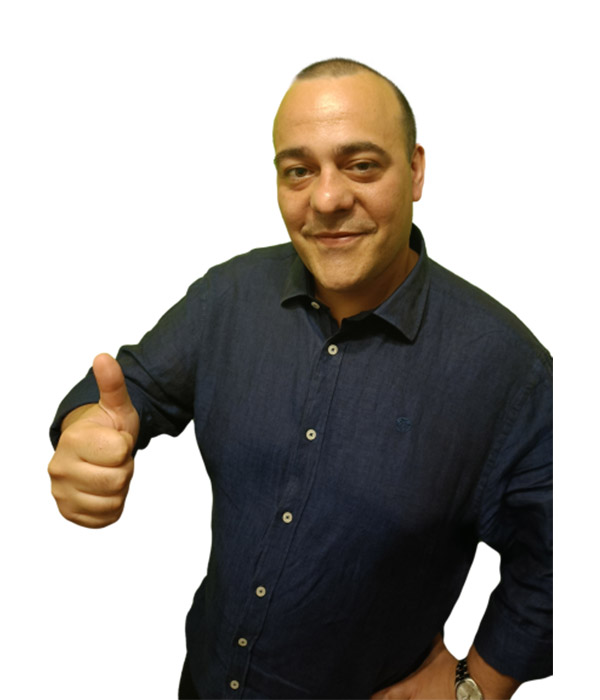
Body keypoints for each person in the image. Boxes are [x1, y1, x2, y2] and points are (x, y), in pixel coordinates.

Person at [48, 58, 552, 699]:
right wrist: (85, 430)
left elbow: (565, 556)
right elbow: (128, 392)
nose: (327, 199)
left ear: (416, 170)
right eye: (298, 170)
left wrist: (476, 684)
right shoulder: (229, 297)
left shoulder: (508, 371)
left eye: (361, 165)